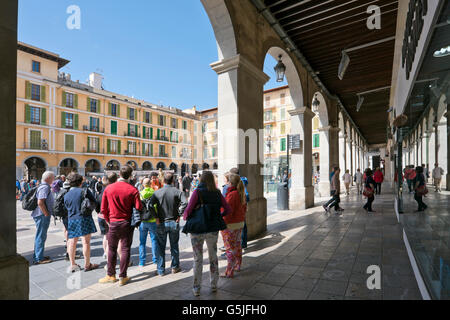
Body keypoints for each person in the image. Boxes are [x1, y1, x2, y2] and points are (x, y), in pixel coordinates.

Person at [183, 171, 231, 296]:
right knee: (213, 256)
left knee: (197, 259)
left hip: (197, 230)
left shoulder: (197, 192)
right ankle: (214, 284)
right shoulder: (217, 193)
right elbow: (227, 209)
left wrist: (186, 217)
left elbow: (188, 211)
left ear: (201, 179)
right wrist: (218, 215)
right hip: (212, 229)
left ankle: (196, 288)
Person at [99, 165, 143, 286]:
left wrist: (108, 220)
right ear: (130, 175)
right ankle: (123, 276)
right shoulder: (133, 190)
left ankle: (110, 275)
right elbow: (139, 207)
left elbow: (103, 208)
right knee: (125, 249)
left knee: (112, 248)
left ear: (119, 174)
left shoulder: (109, 188)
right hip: (127, 223)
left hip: (113, 222)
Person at [149, 172, 188, 276]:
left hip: (161, 222)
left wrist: (156, 216)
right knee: (174, 246)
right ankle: (175, 267)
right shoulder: (177, 191)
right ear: (173, 180)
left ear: (163, 181)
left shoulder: (157, 192)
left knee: (161, 247)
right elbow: (185, 202)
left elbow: (150, 205)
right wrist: (179, 214)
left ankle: (161, 270)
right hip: (173, 221)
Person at [64, 173, 99, 272]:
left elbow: (66, 206)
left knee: (72, 242)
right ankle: (87, 264)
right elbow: (94, 202)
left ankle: (73, 264)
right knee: (86, 242)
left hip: (72, 219)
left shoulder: (66, 193)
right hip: (84, 218)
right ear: (80, 182)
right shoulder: (85, 191)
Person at [221, 173, 247, 279]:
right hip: (240, 223)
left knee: (229, 248)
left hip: (230, 225)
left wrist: (221, 221)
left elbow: (227, 212)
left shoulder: (232, 194)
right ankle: (238, 265)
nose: (225, 184)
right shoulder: (241, 193)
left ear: (230, 183)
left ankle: (229, 271)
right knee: (237, 245)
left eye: (227, 181)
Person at [31, 171, 55, 265]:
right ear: (48, 178)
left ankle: (38, 255)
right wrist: (46, 214)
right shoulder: (45, 187)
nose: (54, 179)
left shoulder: (44, 186)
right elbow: (40, 202)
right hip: (41, 215)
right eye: (53, 177)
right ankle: (39, 258)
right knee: (41, 236)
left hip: (41, 215)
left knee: (40, 235)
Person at [96, 173, 118, 263]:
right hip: (109, 217)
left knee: (105, 236)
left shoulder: (100, 192)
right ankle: (110, 255)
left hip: (100, 216)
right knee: (111, 237)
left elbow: (97, 206)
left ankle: (105, 252)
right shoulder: (112, 191)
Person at [138, 178, 158, 268]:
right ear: (150, 184)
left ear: (143, 184)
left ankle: (142, 262)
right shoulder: (154, 193)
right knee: (154, 240)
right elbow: (156, 207)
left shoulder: (140, 194)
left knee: (142, 242)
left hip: (143, 220)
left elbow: (137, 207)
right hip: (152, 220)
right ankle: (155, 259)